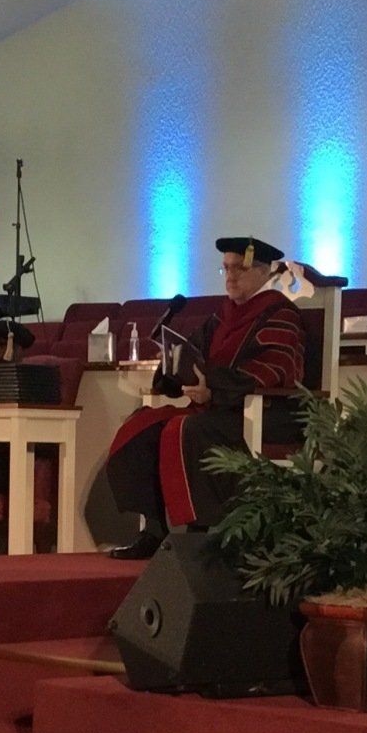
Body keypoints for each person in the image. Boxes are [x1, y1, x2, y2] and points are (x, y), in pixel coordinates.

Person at [105, 236, 308, 561]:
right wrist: (174, 370)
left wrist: (212, 388)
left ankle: (202, 536)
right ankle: (154, 530)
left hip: (268, 414)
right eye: (226, 268)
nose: (230, 276)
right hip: (221, 409)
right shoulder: (222, 317)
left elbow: (274, 371)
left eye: (239, 269)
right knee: (142, 426)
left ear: (263, 271)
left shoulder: (280, 315)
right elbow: (193, 355)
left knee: (189, 430)